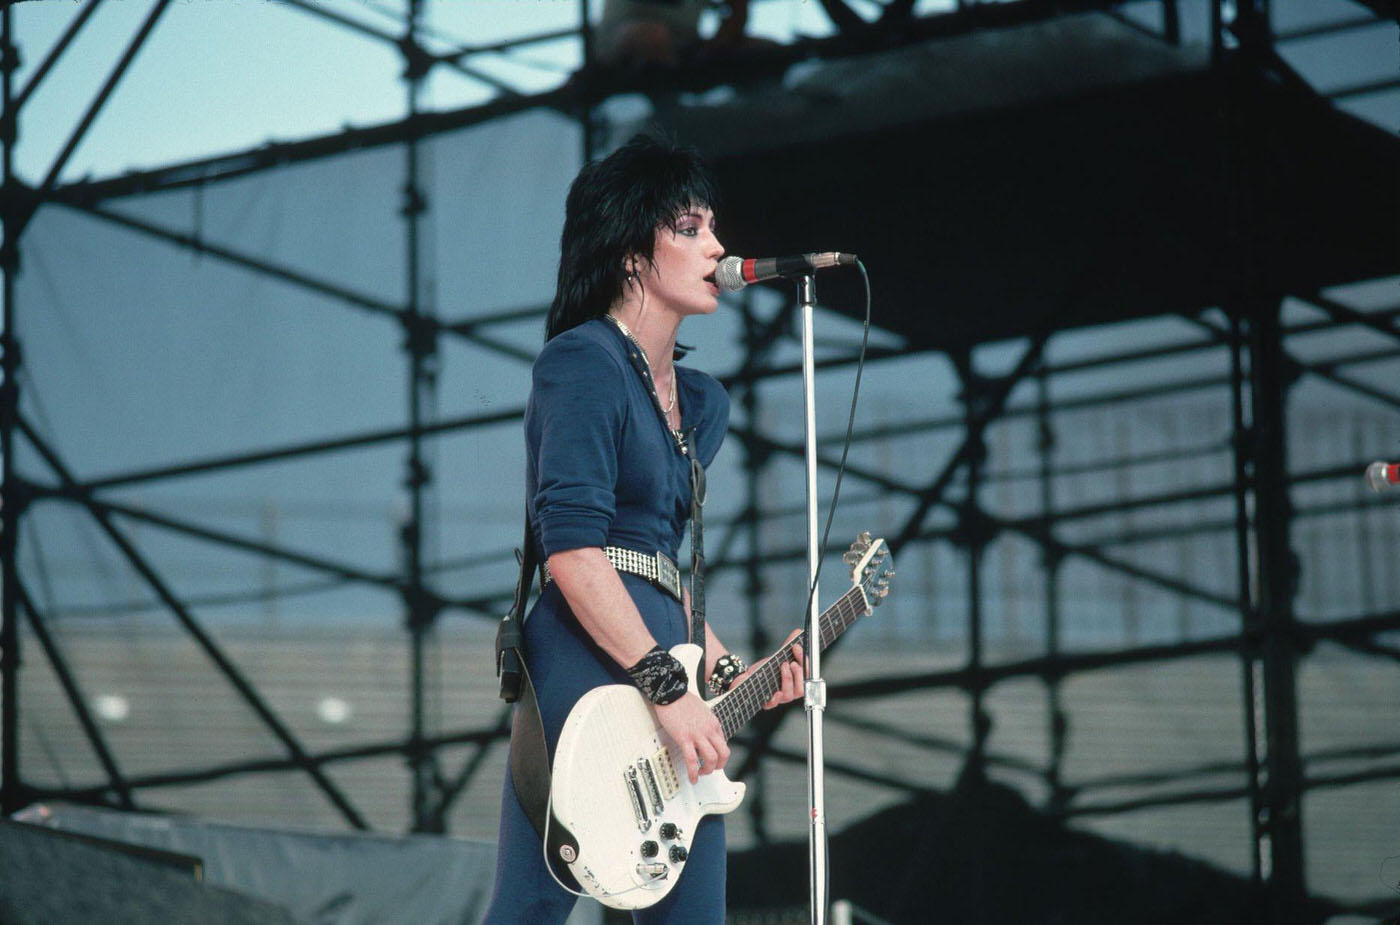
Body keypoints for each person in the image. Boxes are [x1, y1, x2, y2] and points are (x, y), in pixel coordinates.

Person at [481, 134, 806, 925]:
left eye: (712, 227)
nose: (718, 245)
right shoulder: (583, 362)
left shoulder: (699, 404)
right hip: (588, 651)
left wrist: (728, 670)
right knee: (534, 904)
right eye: (690, 227)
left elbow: (656, 559)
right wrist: (664, 684)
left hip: (662, 646)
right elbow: (574, 550)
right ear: (633, 252)